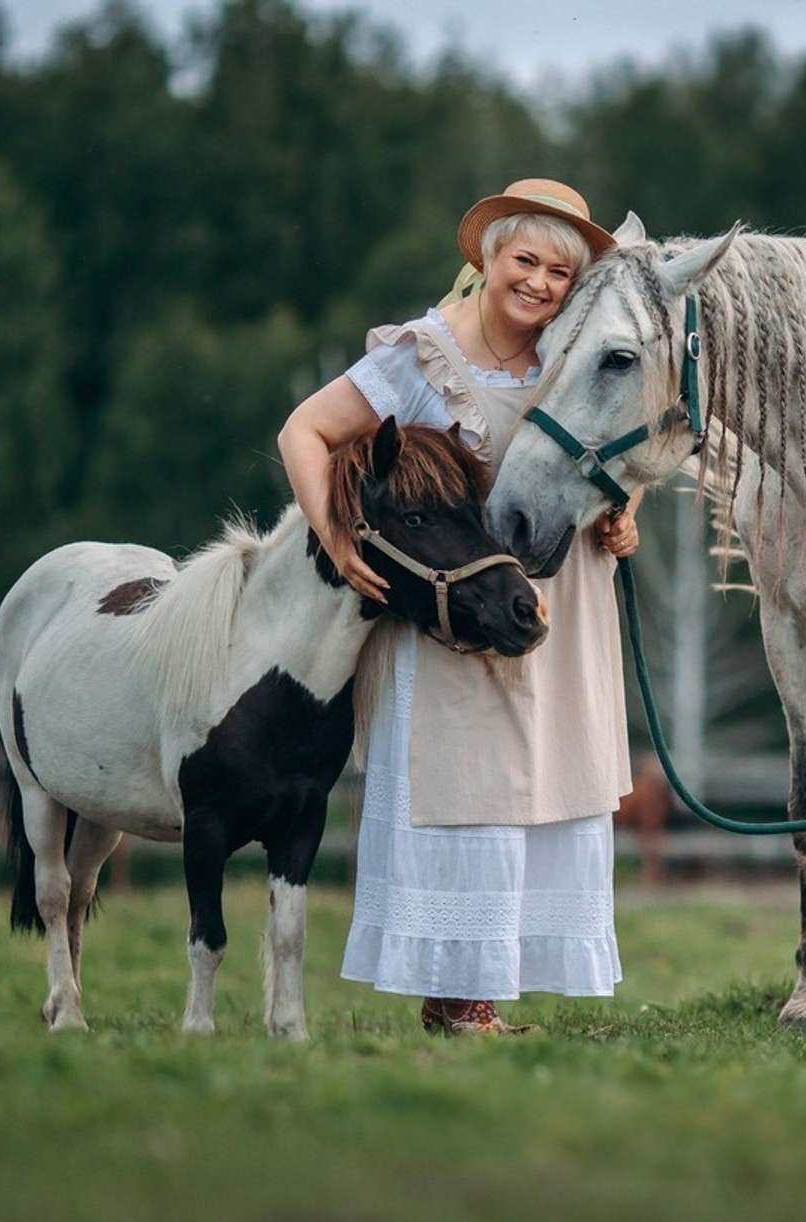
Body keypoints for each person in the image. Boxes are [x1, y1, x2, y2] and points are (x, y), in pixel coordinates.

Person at [277, 179, 640, 1035]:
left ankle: (487, 996)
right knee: (467, 785)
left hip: (565, 600)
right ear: (487, 257)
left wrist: (623, 517)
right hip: (457, 612)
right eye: (527, 260)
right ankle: (458, 1002)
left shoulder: (575, 354)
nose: (542, 284)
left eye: (561, 270)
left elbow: (612, 457)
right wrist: (336, 537)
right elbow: (306, 430)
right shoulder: (423, 355)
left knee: (547, 782)